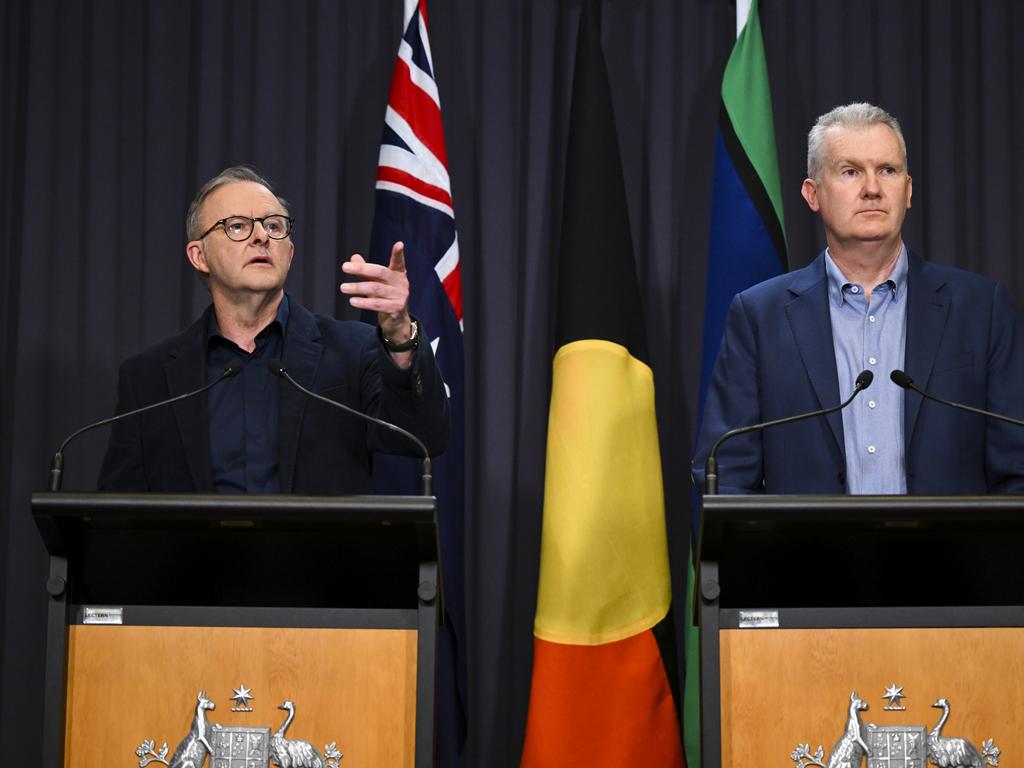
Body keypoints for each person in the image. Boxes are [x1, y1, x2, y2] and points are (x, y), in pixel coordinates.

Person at [693, 103, 1024, 495]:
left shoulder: (980, 309)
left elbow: (1017, 470)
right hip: (807, 556)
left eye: (888, 170)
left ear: (908, 190)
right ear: (813, 194)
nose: (872, 188)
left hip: (950, 556)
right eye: (850, 172)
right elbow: (726, 472)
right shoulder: (759, 317)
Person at [99, 165, 449, 494]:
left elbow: (423, 436)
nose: (261, 237)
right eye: (237, 226)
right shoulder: (148, 379)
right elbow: (116, 517)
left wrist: (400, 333)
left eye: (274, 226)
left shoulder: (352, 350)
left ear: (290, 252)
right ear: (198, 256)